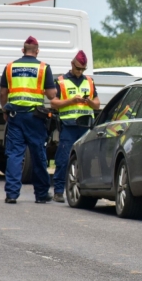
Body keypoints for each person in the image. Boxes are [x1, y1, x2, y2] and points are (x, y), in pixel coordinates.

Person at [0, 36, 57, 204]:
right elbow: (51, 95)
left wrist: (4, 109)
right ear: (37, 51)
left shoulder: (10, 67)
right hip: (35, 118)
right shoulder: (43, 68)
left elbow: (3, 93)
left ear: (22, 50)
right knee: (38, 154)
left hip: (15, 117)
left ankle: (11, 193)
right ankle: (41, 194)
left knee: (15, 154)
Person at [50, 50, 100, 203]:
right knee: (64, 159)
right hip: (69, 126)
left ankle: (86, 191)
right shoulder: (61, 81)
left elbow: (97, 105)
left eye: (83, 69)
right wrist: (71, 101)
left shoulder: (89, 82)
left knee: (87, 160)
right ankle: (58, 191)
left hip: (86, 127)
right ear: (72, 64)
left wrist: (89, 102)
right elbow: (54, 103)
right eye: (78, 68)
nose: (80, 72)